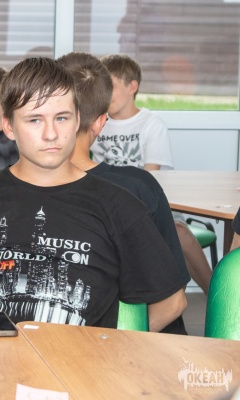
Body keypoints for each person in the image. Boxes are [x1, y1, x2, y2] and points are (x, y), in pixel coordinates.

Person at [0, 57, 187, 331]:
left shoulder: (120, 205)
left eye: (62, 118)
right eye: (34, 120)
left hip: (81, 361)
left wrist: (110, 351)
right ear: (9, 126)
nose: (51, 134)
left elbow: (171, 302)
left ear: (78, 120)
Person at [59, 52, 190, 334]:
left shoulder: (133, 190)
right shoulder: (137, 187)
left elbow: (171, 303)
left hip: (123, 347)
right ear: (100, 122)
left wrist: (109, 348)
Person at [92, 54, 213, 295]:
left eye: (111, 85)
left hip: (148, 202)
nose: (105, 93)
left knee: (180, 233)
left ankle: (219, 296)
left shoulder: (151, 122)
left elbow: (151, 177)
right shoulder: (96, 122)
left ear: (132, 87)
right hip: (108, 205)